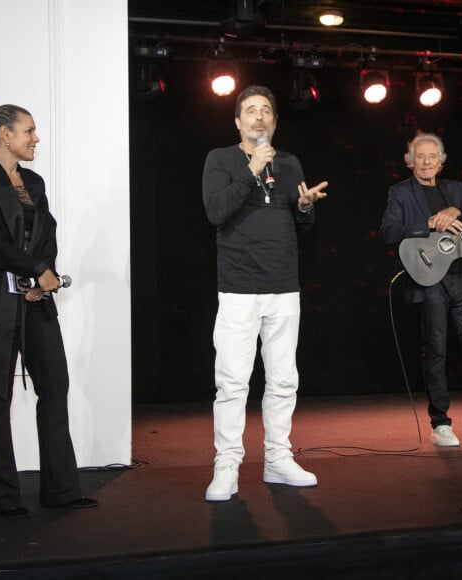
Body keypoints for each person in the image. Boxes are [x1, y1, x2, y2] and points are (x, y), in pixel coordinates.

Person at [0, 102, 98, 516]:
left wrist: (43, 278)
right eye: (29, 131)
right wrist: (36, 270)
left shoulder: (35, 182)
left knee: (55, 387)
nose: (35, 138)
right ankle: (2, 496)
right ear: (5, 134)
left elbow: (46, 233)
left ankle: (60, 490)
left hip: (35, 300)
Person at [202, 85, 328, 501]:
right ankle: (227, 465)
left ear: (274, 121)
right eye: (250, 111)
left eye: (266, 111)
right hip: (238, 287)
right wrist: (251, 168)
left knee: (283, 380)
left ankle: (277, 459)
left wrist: (306, 208)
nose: (259, 117)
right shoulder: (220, 159)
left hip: (283, 285)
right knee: (234, 382)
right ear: (237, 121)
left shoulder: (289, 163)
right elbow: (216, 211)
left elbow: (299, 226)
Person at [379, 132, 462, 447]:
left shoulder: (456, 190)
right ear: (410, 162)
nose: (426, 162)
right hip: (428, 280)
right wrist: (428, 224)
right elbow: (389, 232)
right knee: (436, 351)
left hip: (460, 279)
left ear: (441, 161)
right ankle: (440, 424)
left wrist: (457, 212)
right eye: (419, 157)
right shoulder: (400, 193)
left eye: (431, 157)